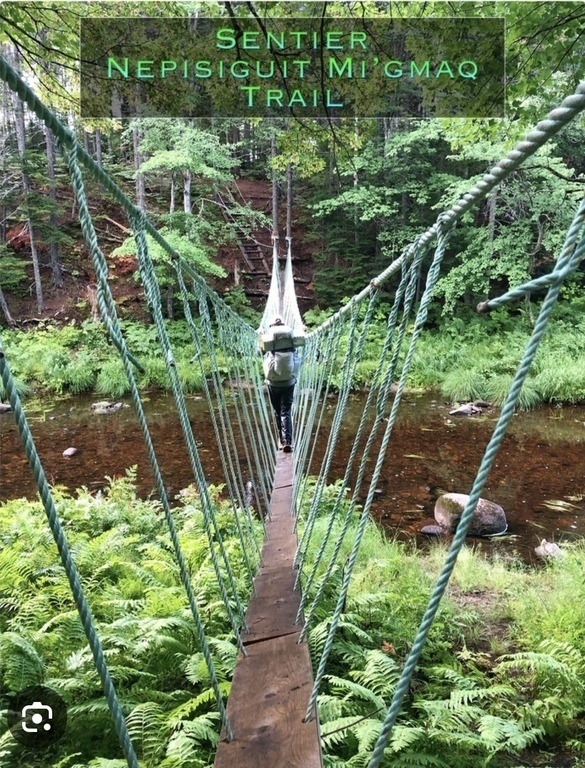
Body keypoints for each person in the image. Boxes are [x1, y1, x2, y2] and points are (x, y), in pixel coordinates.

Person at [263, 317, 301, 452]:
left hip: (273, 381)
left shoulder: (269, 337)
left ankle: (280, 440)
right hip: (289, 381)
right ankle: (287, 441)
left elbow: (259, 351)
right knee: (286, 411)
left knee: (278, 411)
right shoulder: (291, 334)